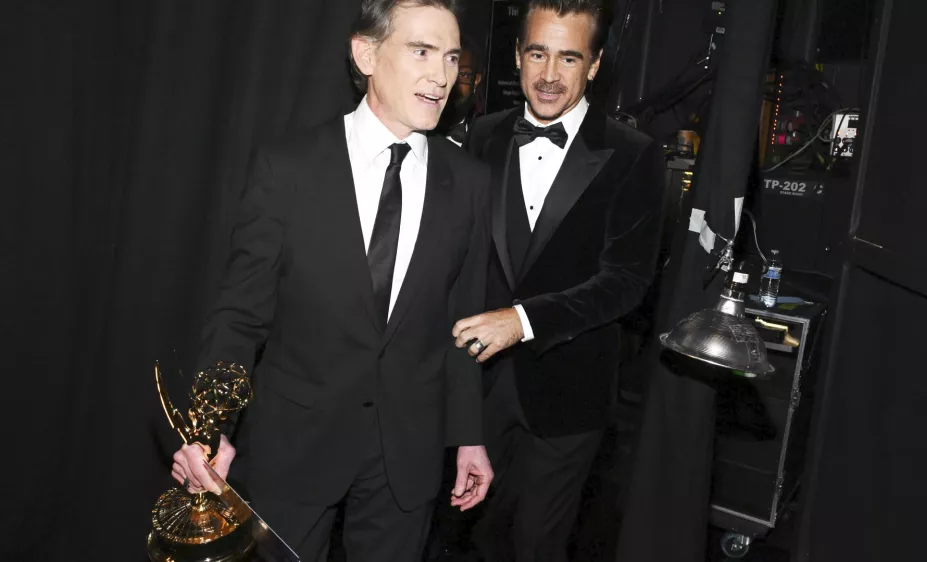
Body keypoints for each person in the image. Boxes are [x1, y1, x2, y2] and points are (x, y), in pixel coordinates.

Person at [170, 1, 494, 560]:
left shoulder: (468, 184)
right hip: (293, 446)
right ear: (365, 53)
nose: (441, 76)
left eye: (450, 57)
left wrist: (468, 435)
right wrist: (209, 425)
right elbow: (240, 315)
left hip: (407, 456)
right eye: (421, 52)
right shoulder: (288, 168)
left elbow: (462, 322)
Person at [453, 0, 667, 560]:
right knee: (466, 539)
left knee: (537, 546)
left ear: (594, 65)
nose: (549, 76)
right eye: (538, 53)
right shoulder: (483, 136)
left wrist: (522, 322)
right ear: (519, 55)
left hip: (567, 395)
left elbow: (626, 282)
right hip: (474, 389)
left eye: (568, 58)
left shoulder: (634, 155)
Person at [435, 37, 484, 147]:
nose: (453, 82)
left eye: (463, 75)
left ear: (476, 80)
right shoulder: (416, 130)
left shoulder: (486, 139)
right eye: (447, 71)